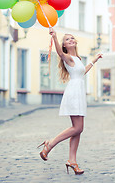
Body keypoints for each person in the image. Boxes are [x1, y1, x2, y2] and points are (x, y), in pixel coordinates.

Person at [37, 27, 103, 175]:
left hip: (78, 92)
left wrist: (94, 60)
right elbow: (59, 53)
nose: (71, 40)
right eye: (67, 39)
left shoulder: (78, 59)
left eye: (72, 38)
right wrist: (54, 37)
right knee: (77, 128)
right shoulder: (67, 57)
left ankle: (72, 161)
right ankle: (50, 144)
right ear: (65, 45)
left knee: (78, 129)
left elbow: (82, 72)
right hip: (74, 93)